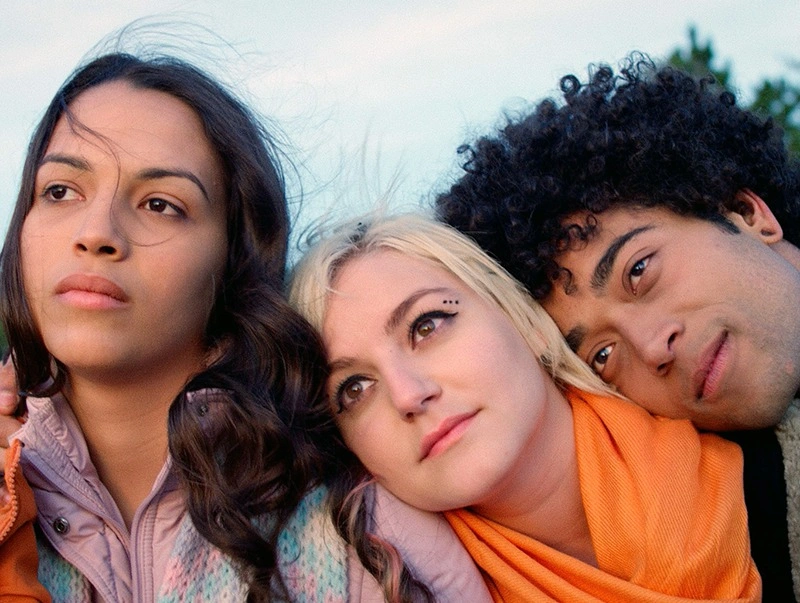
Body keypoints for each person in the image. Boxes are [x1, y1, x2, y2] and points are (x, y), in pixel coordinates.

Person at [0, 51, 489, 601]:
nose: (96, 232)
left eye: (160, 204)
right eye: (60, 191)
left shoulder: (364, 532)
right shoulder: (7, 493)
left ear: (234, 259)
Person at [435, 54, 800, 599]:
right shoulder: (729, 523)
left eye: (639, 271)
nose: (652, 347)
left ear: (746, 214)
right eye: (601, 356)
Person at [289, 212, 762, 602]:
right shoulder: (398, 587)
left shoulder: (766, 462)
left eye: (426, 325)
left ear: (527, 322)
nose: (408, 395)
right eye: (354, 389)